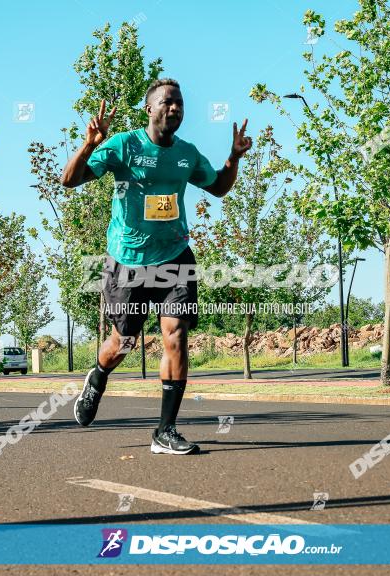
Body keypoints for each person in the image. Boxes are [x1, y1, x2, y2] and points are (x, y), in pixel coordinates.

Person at [60, 78, 252, 454]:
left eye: (179, 103)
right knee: (123, 343)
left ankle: (165, 430)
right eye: (167, 102)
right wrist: (89, 145)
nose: (175, 108)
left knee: (176, 335)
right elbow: (70, 181)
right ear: (149, 109)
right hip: (126, 261)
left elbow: (218, 187)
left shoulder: (187, 154)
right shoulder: (125, 145)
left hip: (174, 256)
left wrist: (234, 158)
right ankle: (98, 377)